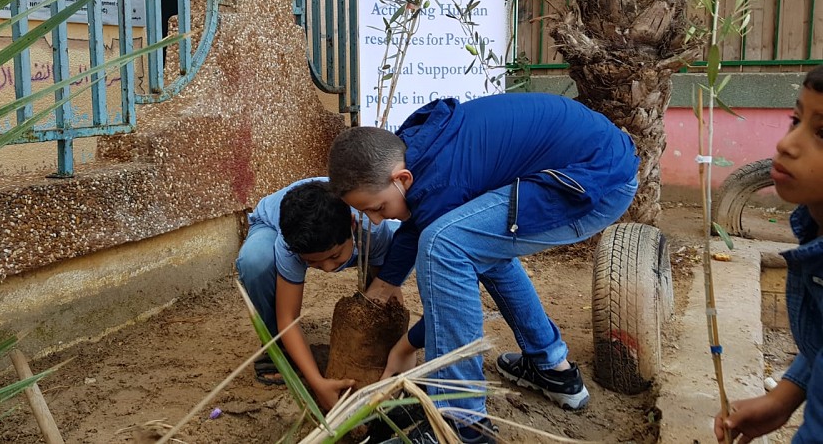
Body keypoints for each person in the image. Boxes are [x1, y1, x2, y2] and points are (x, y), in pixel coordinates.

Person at [327, 93, 639, 435]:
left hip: (594, 181)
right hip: (592, 160)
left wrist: (405, 346)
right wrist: (384, 286)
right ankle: (552, 367)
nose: (374, 221)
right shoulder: (417, 152)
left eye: (377, 209)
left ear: (401, 179)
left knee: (444, 246)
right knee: (474, 240)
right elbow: (419, 219)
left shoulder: (444, 180)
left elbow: (447, 298)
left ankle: (462, 422)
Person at [714, 66, 823, 444]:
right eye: (796, 120)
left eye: (822, 134)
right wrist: (785, 396)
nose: (787, 144)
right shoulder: (812, 230)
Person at [236, 178, 400, 410]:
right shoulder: (289, 242)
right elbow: (288, 318)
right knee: (256, 260)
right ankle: (279, 350)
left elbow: (390, 291)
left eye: (334, 257)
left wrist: (397, 350)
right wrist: (317, 383)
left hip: (350, 233)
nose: (328, 268)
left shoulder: (371, 225)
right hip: (270, 226)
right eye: (313, 262)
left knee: (396, 255)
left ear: (352, 225)